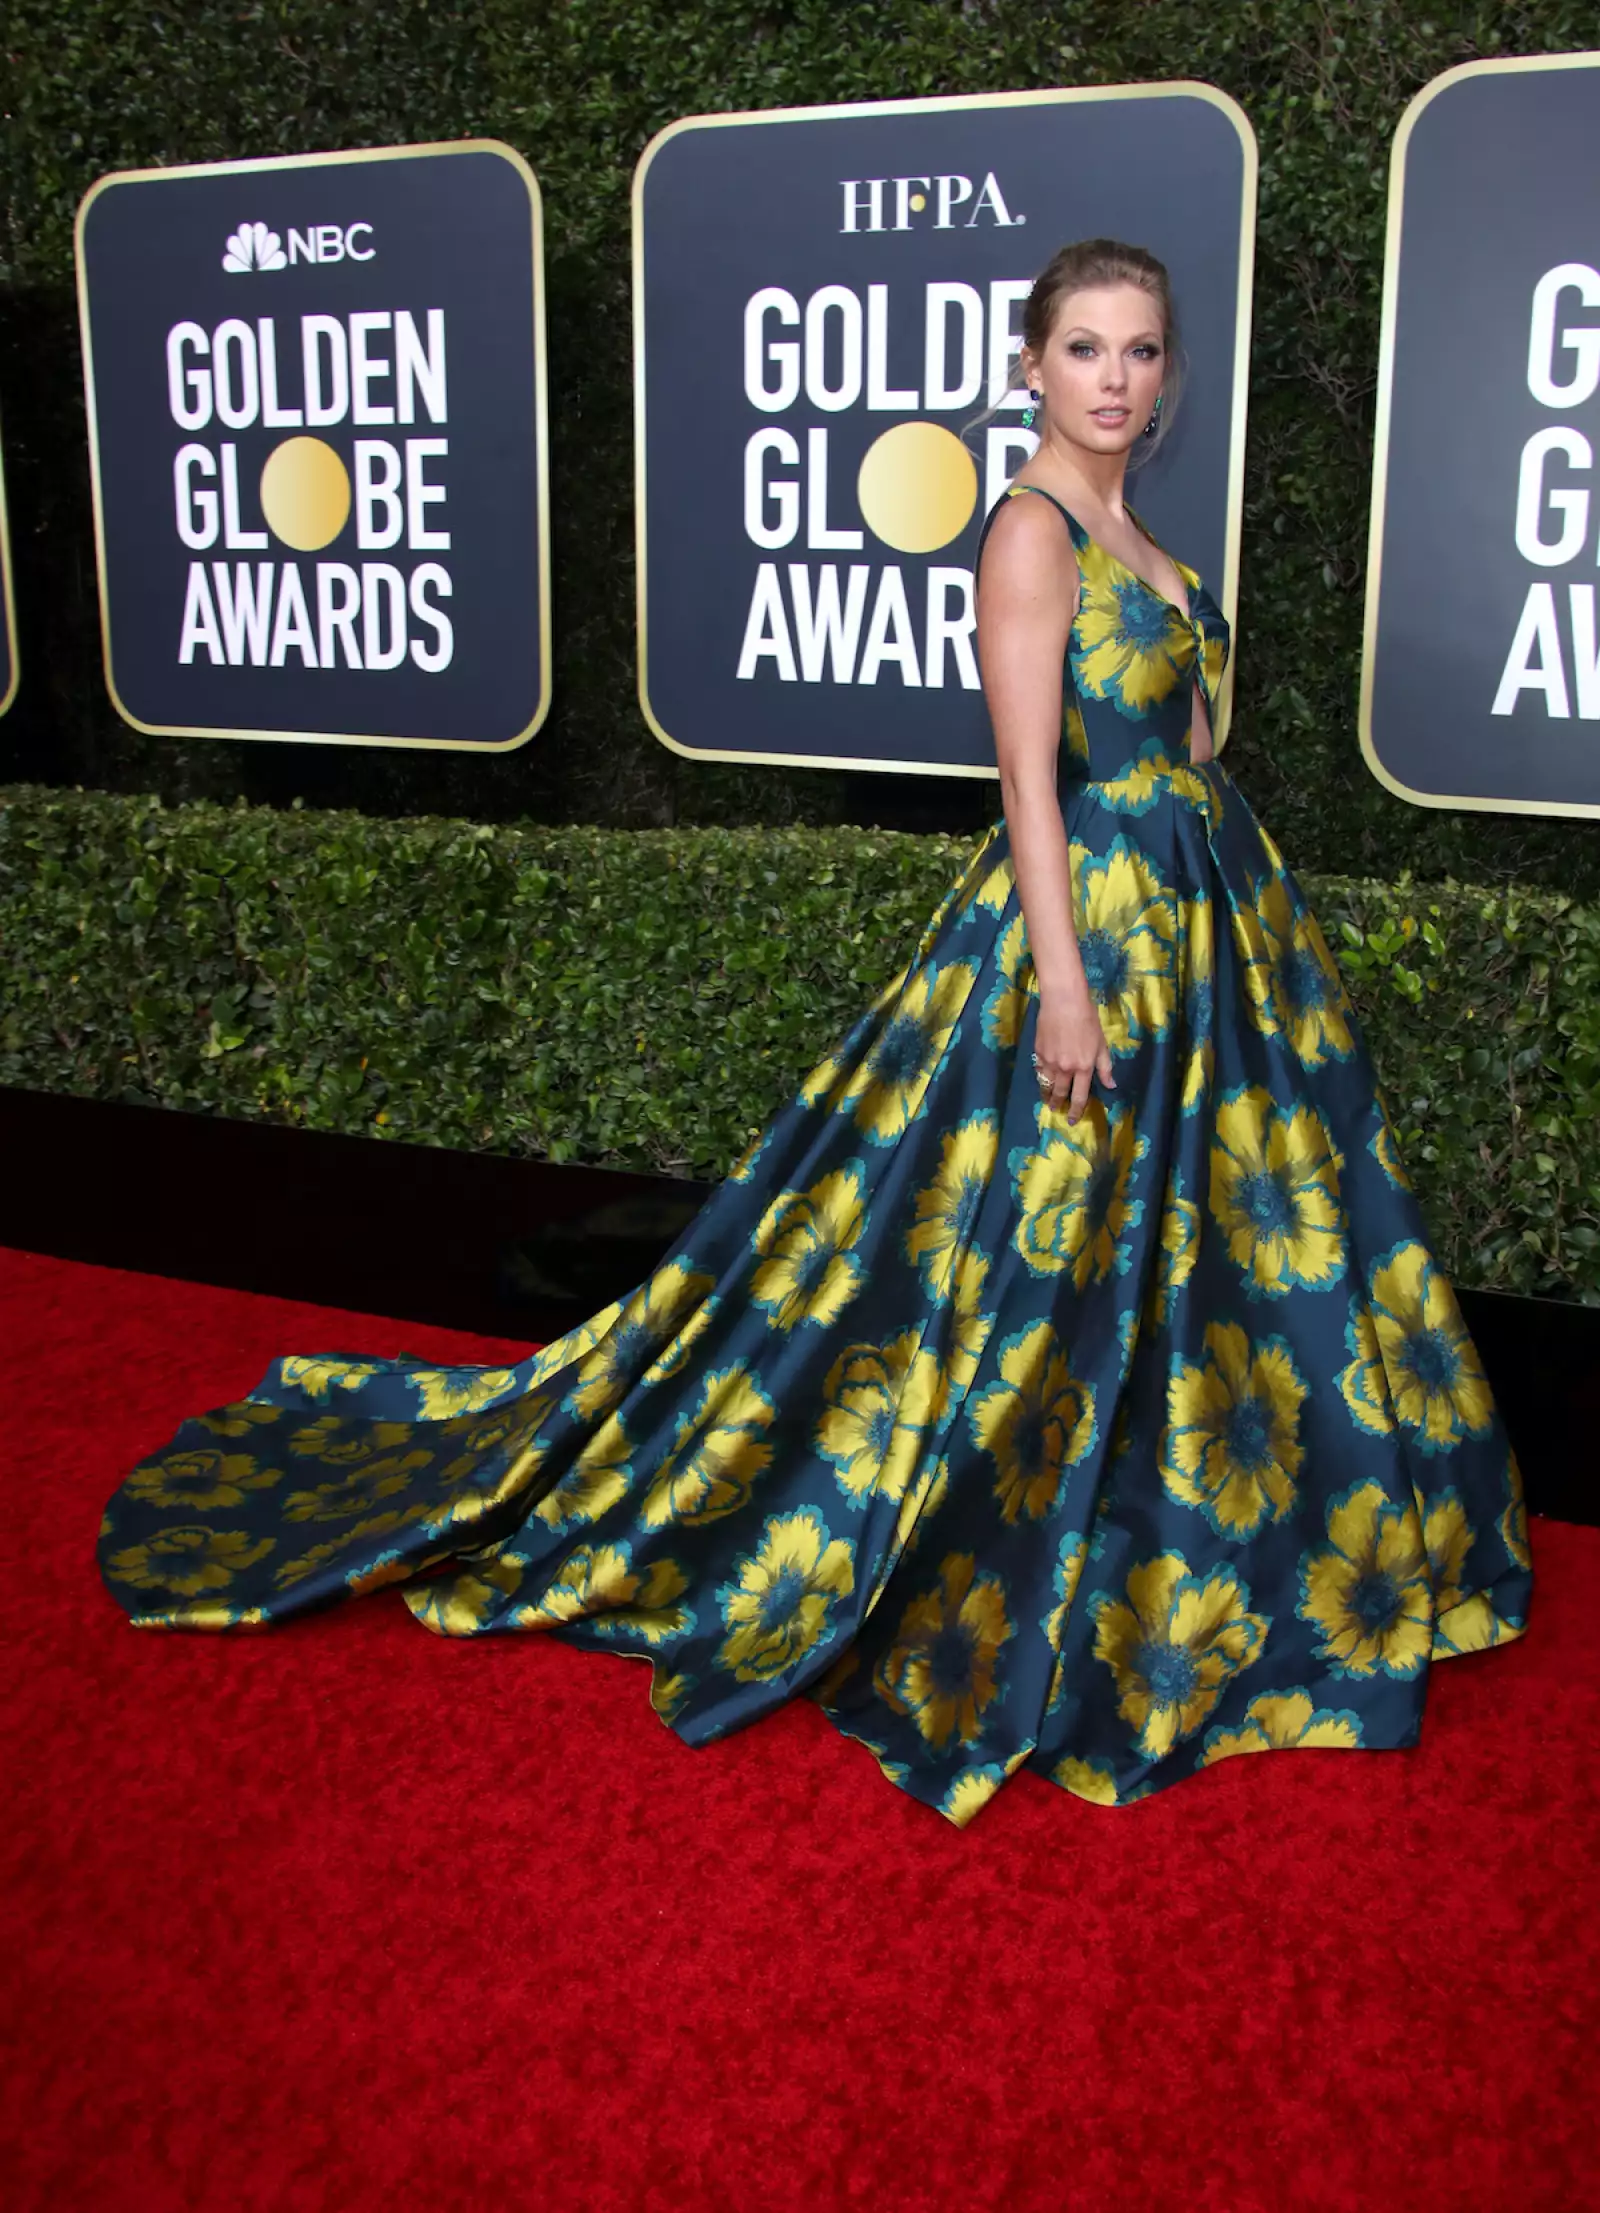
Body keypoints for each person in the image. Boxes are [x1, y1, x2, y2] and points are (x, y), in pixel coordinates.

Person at [97, 239, 1531, 1826]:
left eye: (1139, 352)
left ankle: (1184, 1528)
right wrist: (1061, 974)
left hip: (1208, 938)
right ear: (1028, 367)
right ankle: (1021, 1543)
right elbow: (1029, 784)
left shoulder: (1156, 549)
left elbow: (1188, 747)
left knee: (1200, 1249)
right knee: (1042, 1252)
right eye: (1084, 350)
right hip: (1092, 941)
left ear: (1165, 373)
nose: (1115, 379)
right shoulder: (1031, 538)